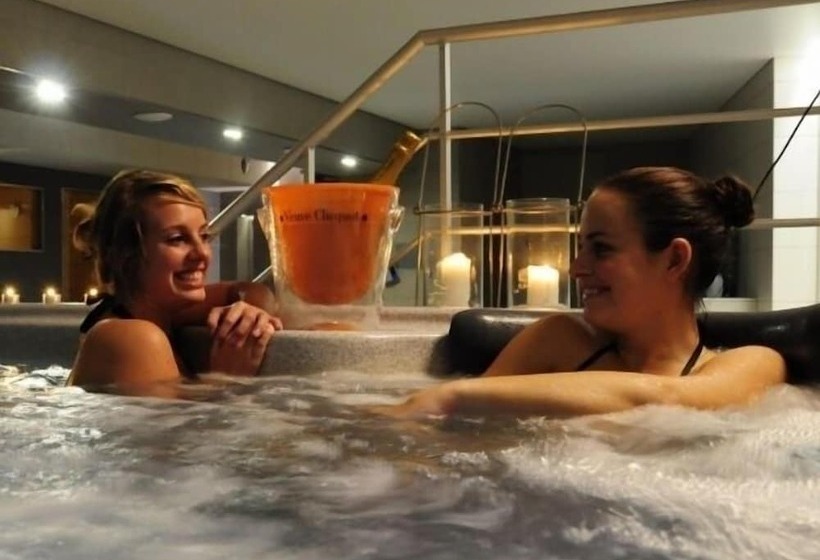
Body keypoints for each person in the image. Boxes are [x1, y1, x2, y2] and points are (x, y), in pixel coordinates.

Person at [377, 166, 787, 419]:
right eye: (580, 248)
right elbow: (458, 434)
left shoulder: (753, 363)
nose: (576, 269)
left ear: (675, 260)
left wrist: (453, 396)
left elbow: (671, 403)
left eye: (601, 249)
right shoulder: (557, 341)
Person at [67, 169, 283, 397]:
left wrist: (246, 315)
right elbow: (172, 423)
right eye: (177, 239)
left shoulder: (157, 313)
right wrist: (226, 382)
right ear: (125, 255)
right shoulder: (133, 337)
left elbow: (252, 292)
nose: (202, 253)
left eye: (204, 236)